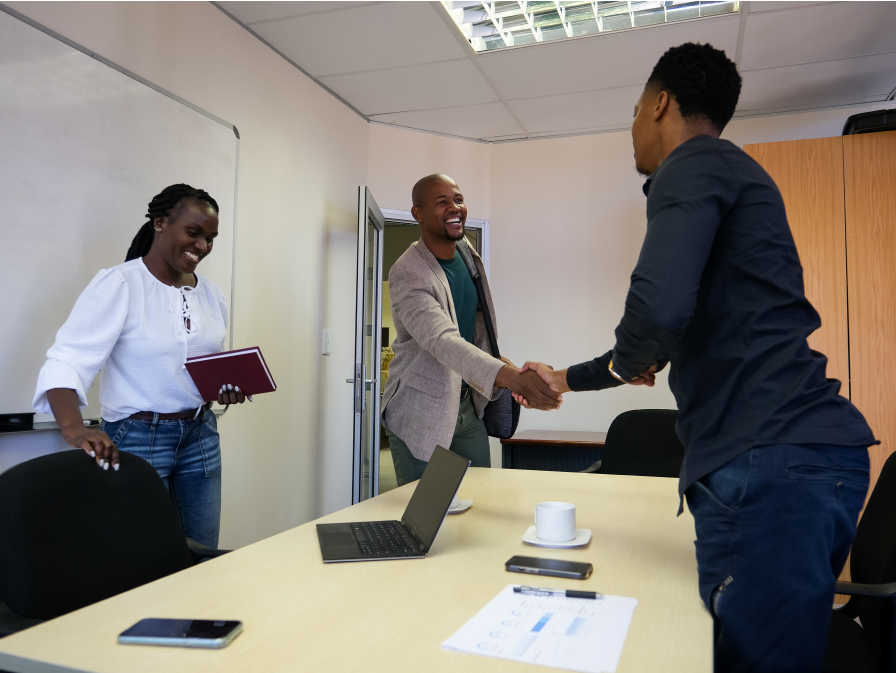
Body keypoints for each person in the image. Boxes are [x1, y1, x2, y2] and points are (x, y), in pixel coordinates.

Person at [515, 44, 877, 671]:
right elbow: (679, 323)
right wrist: (586, 374)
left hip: (769, 459)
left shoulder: (693, 164)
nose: (631, 129)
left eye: (633, 110)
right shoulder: (735, 172)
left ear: (660, 104)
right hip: (797, 456)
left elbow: (656, 315)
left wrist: (628, 354)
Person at [33, 184, 249, 548]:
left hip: (200, 435)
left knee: (203, 554)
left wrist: (224, 387)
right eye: (194, 233)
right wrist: (73, 429)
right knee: (143, 558)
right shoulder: (119, 284)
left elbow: (198, 366)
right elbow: (67, 360)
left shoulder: (211, 293)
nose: (202, 246)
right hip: (137, 438)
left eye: (210, 238)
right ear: (161, 222)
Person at [381, 174, 561, 486]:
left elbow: (475, 331)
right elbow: (443, 341)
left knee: (480, 499)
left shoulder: (466, 252)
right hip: (419, 411)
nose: (455, 208)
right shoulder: (408, 273)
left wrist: (507, 368)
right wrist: (514, 378)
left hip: (467, 406)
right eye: (441, 202)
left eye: (458, 199)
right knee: (423, 513)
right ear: (418, 214)